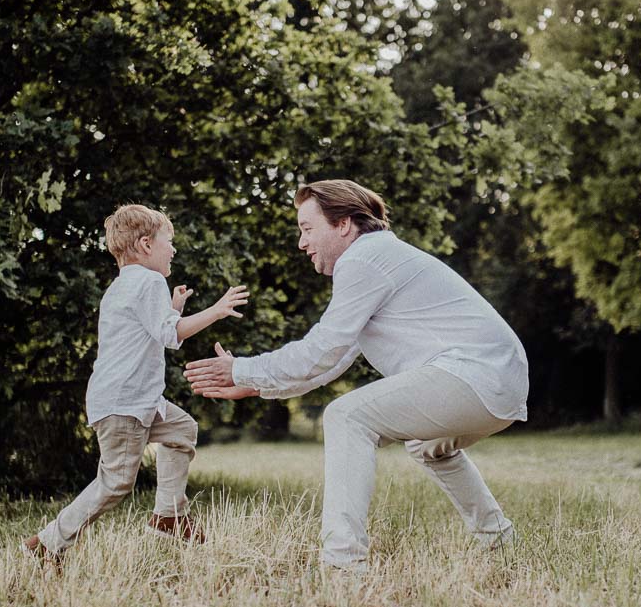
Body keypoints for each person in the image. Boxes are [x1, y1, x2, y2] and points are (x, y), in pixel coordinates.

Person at [185, 179, 527, 572]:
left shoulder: (363, 260)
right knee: (429, 445)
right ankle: (499, 541)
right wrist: (256, 385)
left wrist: (242, 368)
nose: (301, 242)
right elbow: (332, 360)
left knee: (345, 416)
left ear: (343, 224)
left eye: (307, 229)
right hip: (499, 381)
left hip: (476, 374)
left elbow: (322, 348)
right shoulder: (378, 260)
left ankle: (343, 564)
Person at [22, 203, 248, 562]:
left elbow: (154, 332)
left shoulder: (124, 286)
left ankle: (169, 515)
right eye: (167, 242)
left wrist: (172, 309)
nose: (172, 249)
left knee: (182, 430)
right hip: (126, 402)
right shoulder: (150, 280)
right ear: (145, 244)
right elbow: (172, 337)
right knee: (115, 483)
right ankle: (48, 543)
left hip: (135, 399)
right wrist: (217, 310)